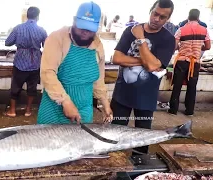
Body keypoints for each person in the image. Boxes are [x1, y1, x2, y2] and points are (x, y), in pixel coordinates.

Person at [110, 0, 175, 154]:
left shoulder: (168, 39)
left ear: (168, 19)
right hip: (122, 95)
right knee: (114, 133)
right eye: (155, 14)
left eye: (162, 17)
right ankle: (112, 164)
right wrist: (146, 61)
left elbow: (152, 67)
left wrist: (140, 39)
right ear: (150, 11)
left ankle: (139, 169)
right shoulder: (130, 31)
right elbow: (117, 58)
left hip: (146, 98)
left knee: (142, 137)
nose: (157, 19)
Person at [37, 1, 113, 125]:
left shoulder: (98, 45)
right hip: (54, 109)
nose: (85, 32)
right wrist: (65, 101)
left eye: (90, 30)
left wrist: (105, 103)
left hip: (84, 110)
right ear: (74, 20)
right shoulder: (57, 38)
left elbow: (98, 79)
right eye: (82, 27)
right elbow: (47, 73)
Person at [4, 7, 47, 117]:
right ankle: (28, 110)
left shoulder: (18, 28)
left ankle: (12, 111)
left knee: (15, 87)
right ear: (38, 16)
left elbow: (8, 42)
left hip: (20, 62)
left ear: (27, 15)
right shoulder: (41, 30)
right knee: (32, 88)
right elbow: (46, 46)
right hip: (36, 62)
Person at [168, 9, 211, 116]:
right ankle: (189, 111)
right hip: (195, 62)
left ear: (188, 16)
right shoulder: (204, 30)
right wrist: (200, 47)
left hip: (182, 61)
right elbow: (208, 46)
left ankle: (173, 110)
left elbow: (174, 46)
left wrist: (181, 47)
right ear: (198, 17)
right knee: (192, 87)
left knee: (177, 85)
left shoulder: (181, 30)